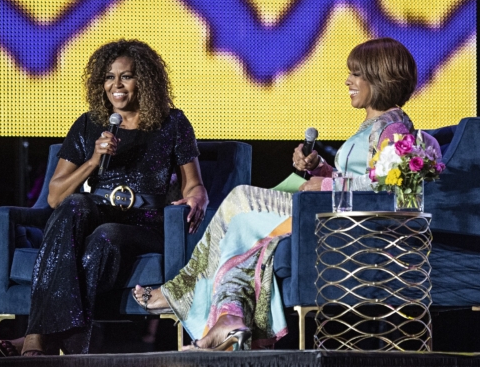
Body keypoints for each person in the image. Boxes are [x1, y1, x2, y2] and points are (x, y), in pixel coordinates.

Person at [132, 37, 441, 351]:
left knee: (240, 198)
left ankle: (179, 294)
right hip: (327, 210)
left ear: (380, 78)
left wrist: (322, 185)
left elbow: (384, 190)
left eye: (357, 74)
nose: (348, 80)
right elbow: (360, 180)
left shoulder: (392, 129)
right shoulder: (374, 125)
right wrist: (319, 169)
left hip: (339, 222)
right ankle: (230, 319)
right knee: (242, 230)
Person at [0, 39, 208, 356]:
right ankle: (58, 343)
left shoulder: (172, 123)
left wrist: (198, 198)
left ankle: (39, 338)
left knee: (105, 236)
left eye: (126, 76)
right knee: (75, 206)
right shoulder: (88, 125)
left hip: (146, 227)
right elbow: (55, 196)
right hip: (99, 214)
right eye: (110, 77)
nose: (116, 85)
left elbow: (194, 184)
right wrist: (93, 161)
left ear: (145, 81)